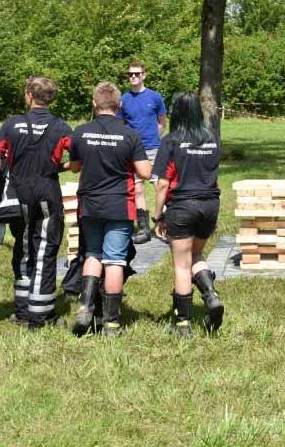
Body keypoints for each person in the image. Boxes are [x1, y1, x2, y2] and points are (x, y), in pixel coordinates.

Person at [69, 82, 151, 337]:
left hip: (90, 205)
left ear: (95, 104)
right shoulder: (130, 134)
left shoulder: (80, 132)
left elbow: (74, 166)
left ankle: (84, 308)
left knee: (93, 254)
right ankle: (111, 323)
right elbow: (145, 172)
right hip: (119, 204)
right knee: (115, 259)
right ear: (120, 105)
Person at [0, 76, 73, 328]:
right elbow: (77, 161)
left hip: (16, 192)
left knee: (21, 245)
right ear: (50, 98)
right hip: (46, 190)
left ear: (30, 95)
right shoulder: (61, 127)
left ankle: (21, 311)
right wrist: (58, 166)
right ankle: (41, 314)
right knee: (44, 249)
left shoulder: (11, 124)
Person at [152, 92, 223, 337]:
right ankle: (210, 295)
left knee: (182, 266)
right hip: (210, 205)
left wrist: (157, 215)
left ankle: (182, 323)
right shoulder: (212, 138)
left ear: (177, 113)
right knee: (196, 253)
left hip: (182, 206)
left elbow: (162, 184)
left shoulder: (171, 140)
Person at [118, 60, 166, 245]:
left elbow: (162, 121)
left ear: (144, 75)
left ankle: (163, 223)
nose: (133, 77)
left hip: (153, 148)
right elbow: (121, 124)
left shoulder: (155, 97)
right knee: (137, 188)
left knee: (159, 185)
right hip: (133, 151)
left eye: (137, 73)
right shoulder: (124, 99)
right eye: (130, 74)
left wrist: (155, 137)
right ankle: (144, 228)